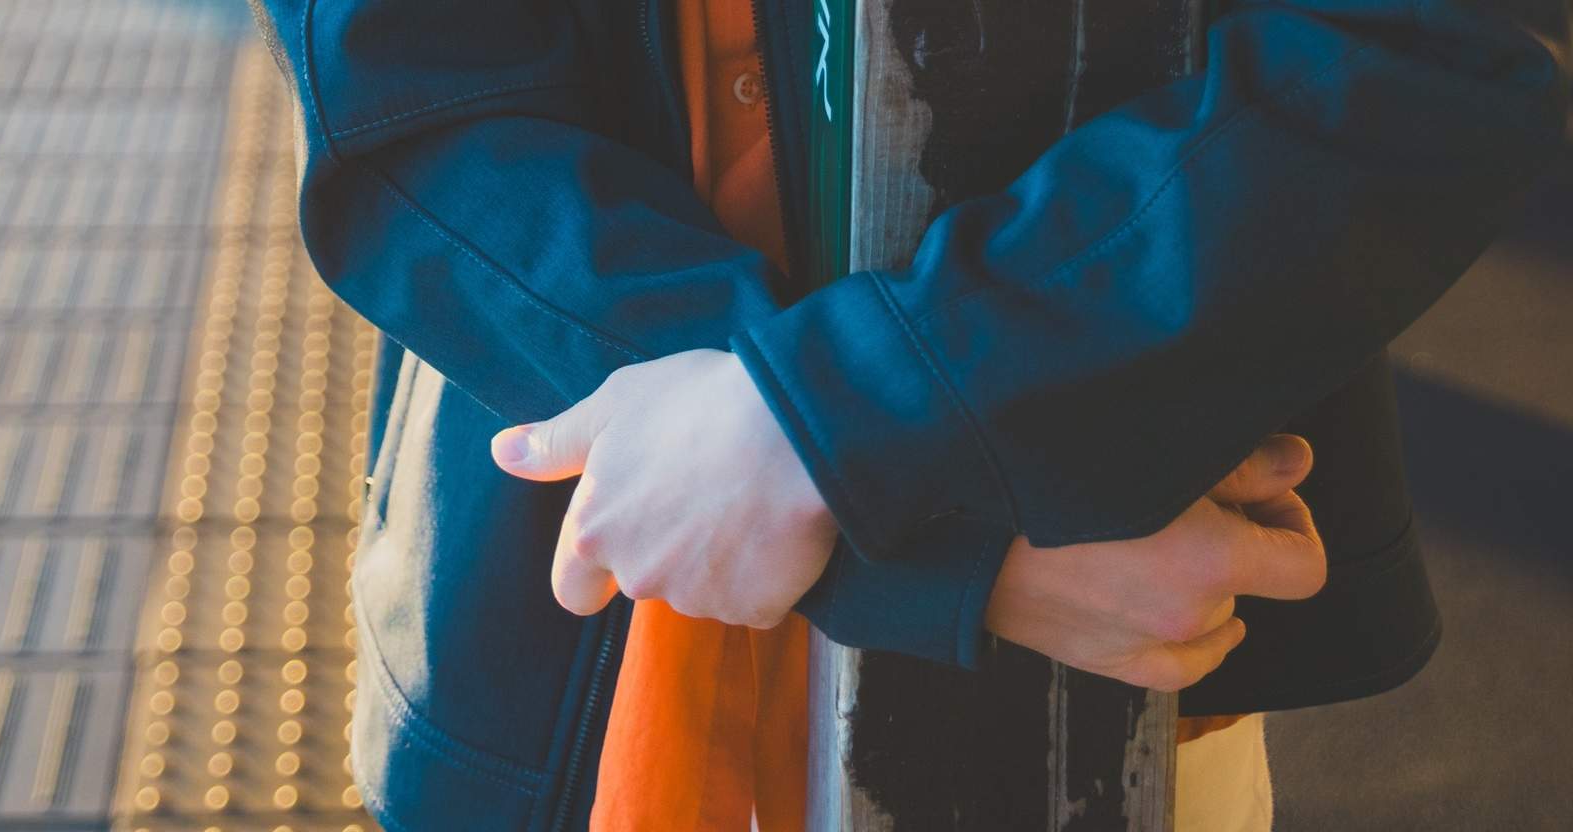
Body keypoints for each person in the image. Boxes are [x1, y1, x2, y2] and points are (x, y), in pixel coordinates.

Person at [247, 0, 1568, 829]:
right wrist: (900, 484)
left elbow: (1440, 43)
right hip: (1078, 531)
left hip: (1080, 586)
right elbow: (412, 106)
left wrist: (820, 432)